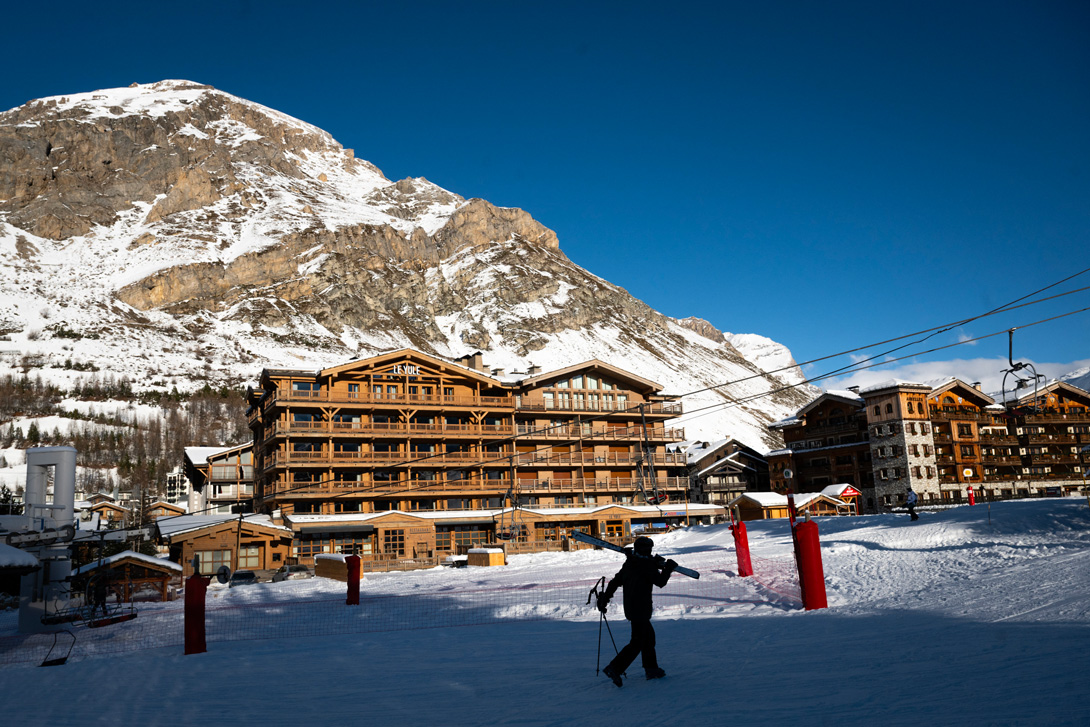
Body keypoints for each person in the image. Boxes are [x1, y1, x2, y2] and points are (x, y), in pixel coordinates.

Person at [596, 536, 677, 687]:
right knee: (638, 642)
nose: (650, 551)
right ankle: (615, 668)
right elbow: (660, 582)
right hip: (641, 609)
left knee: (648, 639)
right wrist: (668, 568)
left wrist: (605, 598)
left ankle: (651, 669)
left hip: (632, 609)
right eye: (649, 548)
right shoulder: (646, 565)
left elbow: (615, 582)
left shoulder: (630, 563)